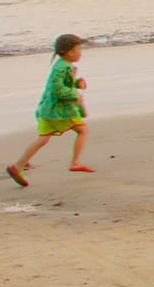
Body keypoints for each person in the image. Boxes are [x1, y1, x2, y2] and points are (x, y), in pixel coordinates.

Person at [6, 34, 94, 187]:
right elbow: (57, 90)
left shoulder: (62, 65)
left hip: (49, 110)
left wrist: (76, 83)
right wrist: (75, 94)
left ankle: (18, 165)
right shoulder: (62, 68)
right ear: (69, 52)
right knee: (82, 131)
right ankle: (75, 162)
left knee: (43, 139)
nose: (81, 52)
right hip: (60, 111)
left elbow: (62, 84)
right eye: (78, 49)